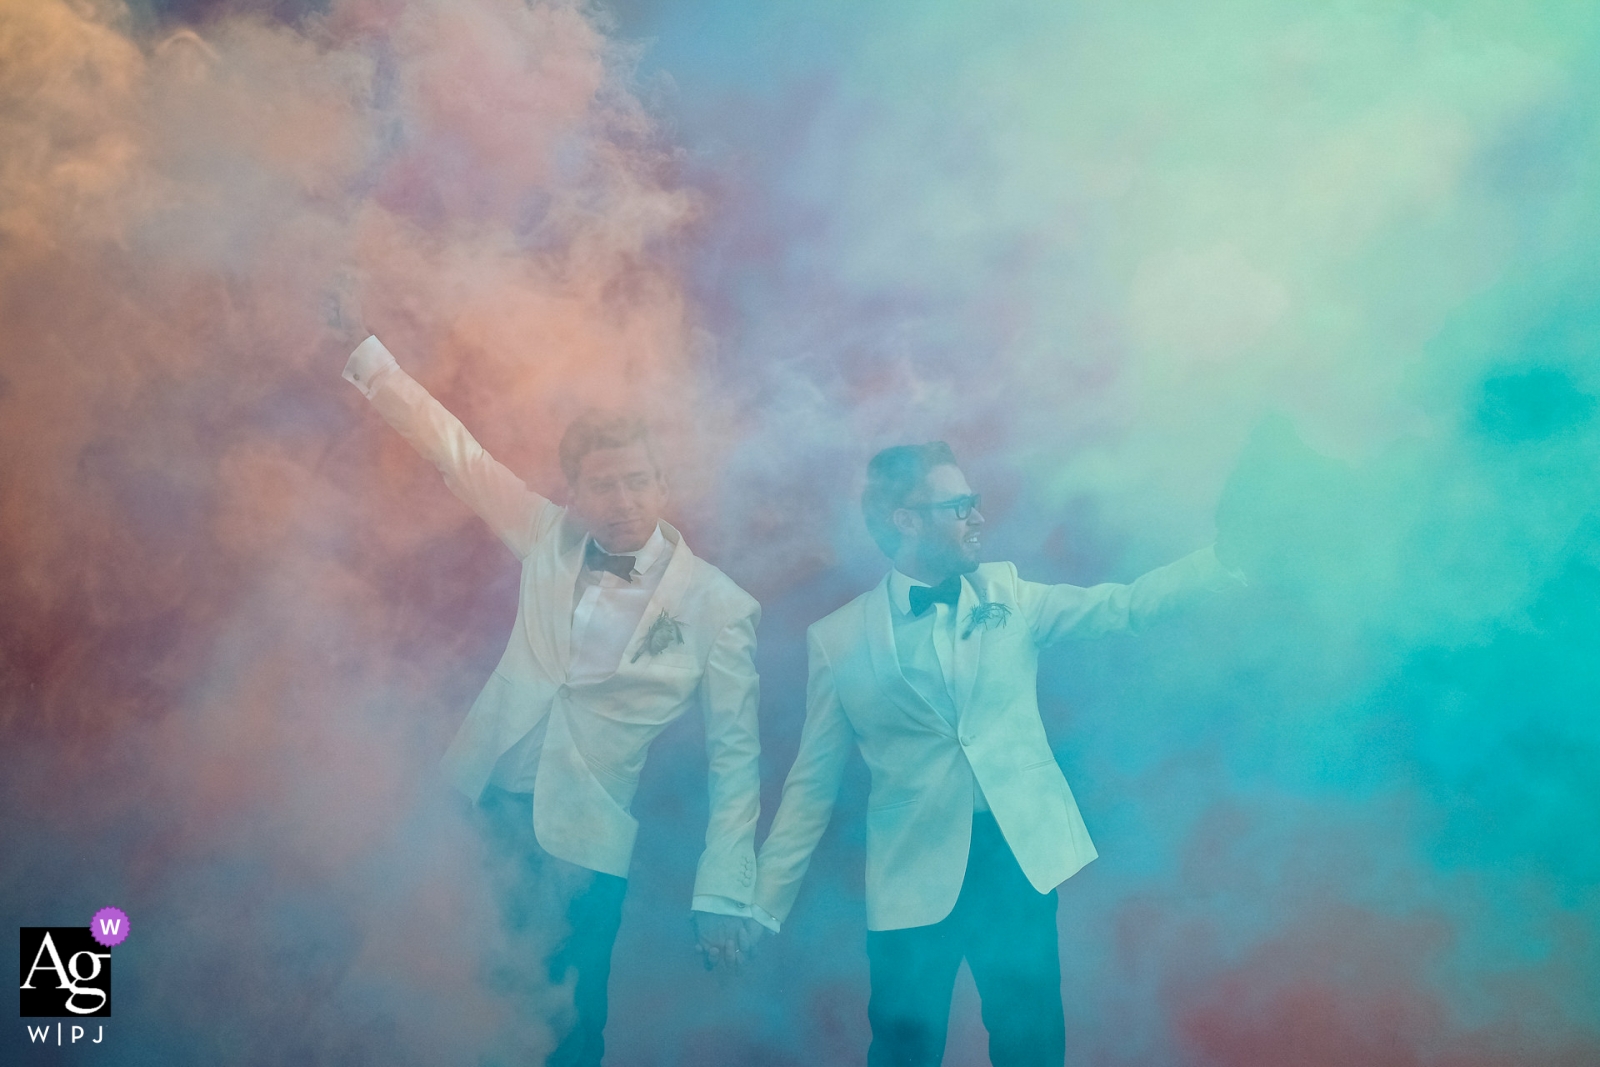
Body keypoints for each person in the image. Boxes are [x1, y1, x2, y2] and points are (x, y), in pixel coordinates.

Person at [341, 333, 771, 1066]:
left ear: (663, 482)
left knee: (567, 1031)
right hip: (474, 809)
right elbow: (456, 450)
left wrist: (724, 894)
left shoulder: (718, 606)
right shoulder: (547, 534)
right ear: (575, 491)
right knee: (446, 1004)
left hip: (583, 842)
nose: (622, 500)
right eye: (602, 485)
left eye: (638, 480)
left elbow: (737, 764)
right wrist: (366, 354)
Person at [752, 442, 1242, 1067]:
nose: (978, 516)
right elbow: (811, 786)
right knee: (904, 1049)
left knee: (1031, 1045)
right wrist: (760, 904)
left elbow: (1125, 606)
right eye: (959, 505)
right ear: (906, 519)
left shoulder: (1009, 592)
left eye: (974, 502)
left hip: (1016, 859)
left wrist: (1227, 559)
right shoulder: (838, 641)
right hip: (912, 874)